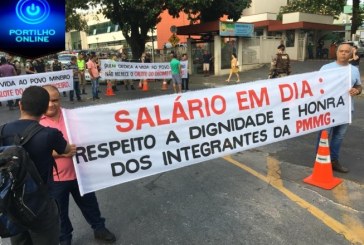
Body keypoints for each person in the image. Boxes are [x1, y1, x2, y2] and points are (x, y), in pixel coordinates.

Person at [40, 85, 116, 245]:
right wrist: (61, 152)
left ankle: (99, 229)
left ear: (60, 99)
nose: (51, 105)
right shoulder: (36, 123)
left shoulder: (72, 116)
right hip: (55, 179)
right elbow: (34, 150)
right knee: (59, 213)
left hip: (81, 173)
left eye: (55, 100)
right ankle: (65, 239)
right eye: (47, 101)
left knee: (90, 205)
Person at [1, 86, 75, 245]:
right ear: (43, 110)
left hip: (13, 202)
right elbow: (68, 149)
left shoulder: (2, 130)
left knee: (20, 241)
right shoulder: (50, 134)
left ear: (20, 105)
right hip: (41, 203)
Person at [318, 42, 362, 173]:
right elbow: (314, 85)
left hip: (346, 110)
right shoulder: (326, 68)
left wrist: (357, 90)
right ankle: (319, 162)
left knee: (338, 137)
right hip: (327, 110)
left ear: (351, 54)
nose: (343, 53)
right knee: (323, 136)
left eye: (346, 51)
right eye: (341, 51)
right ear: (336, 53)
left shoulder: (354, 70)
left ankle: (334, 161)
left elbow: (359, 85)